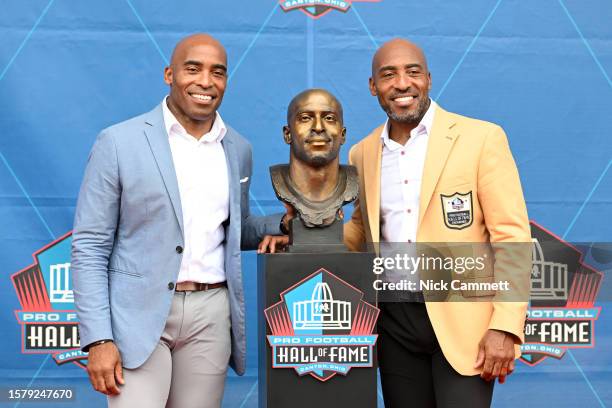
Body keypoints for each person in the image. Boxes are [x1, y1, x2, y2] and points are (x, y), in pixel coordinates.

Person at [71, 33, 285, 408]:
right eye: (193, 69)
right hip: (138, 315)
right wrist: (99, 339)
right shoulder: (119, 142)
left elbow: (235, 229)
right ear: (169, 74)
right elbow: (89, 246)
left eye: (217, 72)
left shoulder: (237, 147)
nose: (205, 81)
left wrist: (281, 226)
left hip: (211, 313)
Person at [343, 38, 531, 407]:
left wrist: (506, 324)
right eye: (388, 75)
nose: (401, 84)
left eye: (412, 72)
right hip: (394, 320)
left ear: (428, 79)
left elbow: (511, 236)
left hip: (466, 324)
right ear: (372, 86)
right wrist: (298, 231)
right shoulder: (362, 152)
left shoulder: (481, 138)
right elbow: (361, 232)